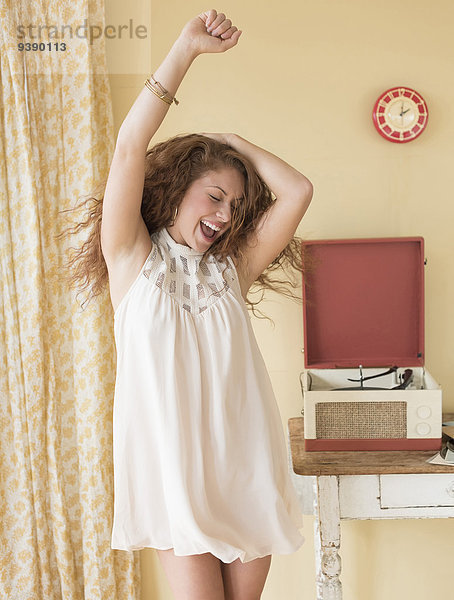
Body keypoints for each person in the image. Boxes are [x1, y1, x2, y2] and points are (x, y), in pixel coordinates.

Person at [71, 9, 313, 600]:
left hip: (247, 470)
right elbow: (130, 147)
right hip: (175, 481)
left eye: (234, 202)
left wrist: (231, 144)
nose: (225, 215)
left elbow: (298, 191)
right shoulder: (131, 259)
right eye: (213, 194)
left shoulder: (231, 271)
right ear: (177, 188)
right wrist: (184, 51)